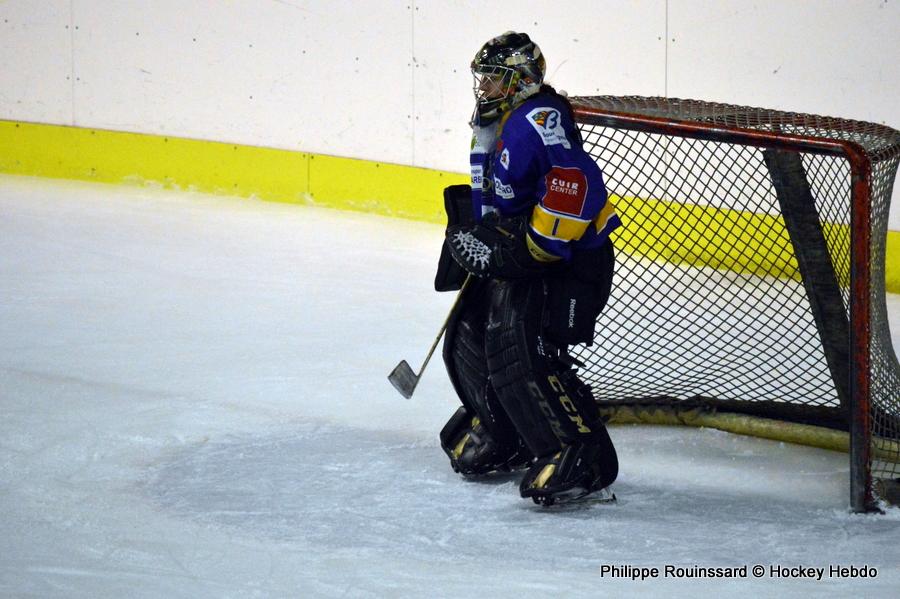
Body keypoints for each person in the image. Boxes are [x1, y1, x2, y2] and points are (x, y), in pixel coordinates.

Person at [434, 31, 621, 506]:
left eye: (494, 78)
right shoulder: (498, 119)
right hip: (523, 252)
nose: (484, 88)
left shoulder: (539, 119)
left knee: (520, 347)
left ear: (520, 80)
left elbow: (575, 183)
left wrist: (533, 246)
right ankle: (506, 431)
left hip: (567, 259)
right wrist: (484, 237)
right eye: (483, 78)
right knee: (468, 331)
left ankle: (579, 452)